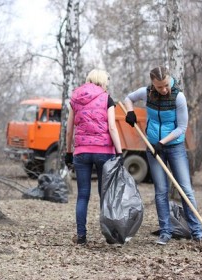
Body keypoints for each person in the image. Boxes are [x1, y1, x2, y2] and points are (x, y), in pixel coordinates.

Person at [123, 66, 202, 245]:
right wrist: (130, 112)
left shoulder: (178, 97)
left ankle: (197, 232)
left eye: (166, 85)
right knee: (161, 191)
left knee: (185, 189)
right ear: (153, 84)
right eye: (160, 87)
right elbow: (128, 98)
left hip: (174, 147)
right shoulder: (146, 92)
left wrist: (163, 142)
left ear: (169, 80)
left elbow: (181, 128)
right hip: (152, 147)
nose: (164, 89)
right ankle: (165, 232)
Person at [65, 69, 123, 245]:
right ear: (103, 81)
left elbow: (69, 130)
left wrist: (68, 152)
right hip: (104, 152)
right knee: (105, 195)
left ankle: (81, 236)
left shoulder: (75, 98)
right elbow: (112, 127)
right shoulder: (107, 98)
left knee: (83, 195)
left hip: (82, 152)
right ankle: (109, 235)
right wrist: (120, 152)